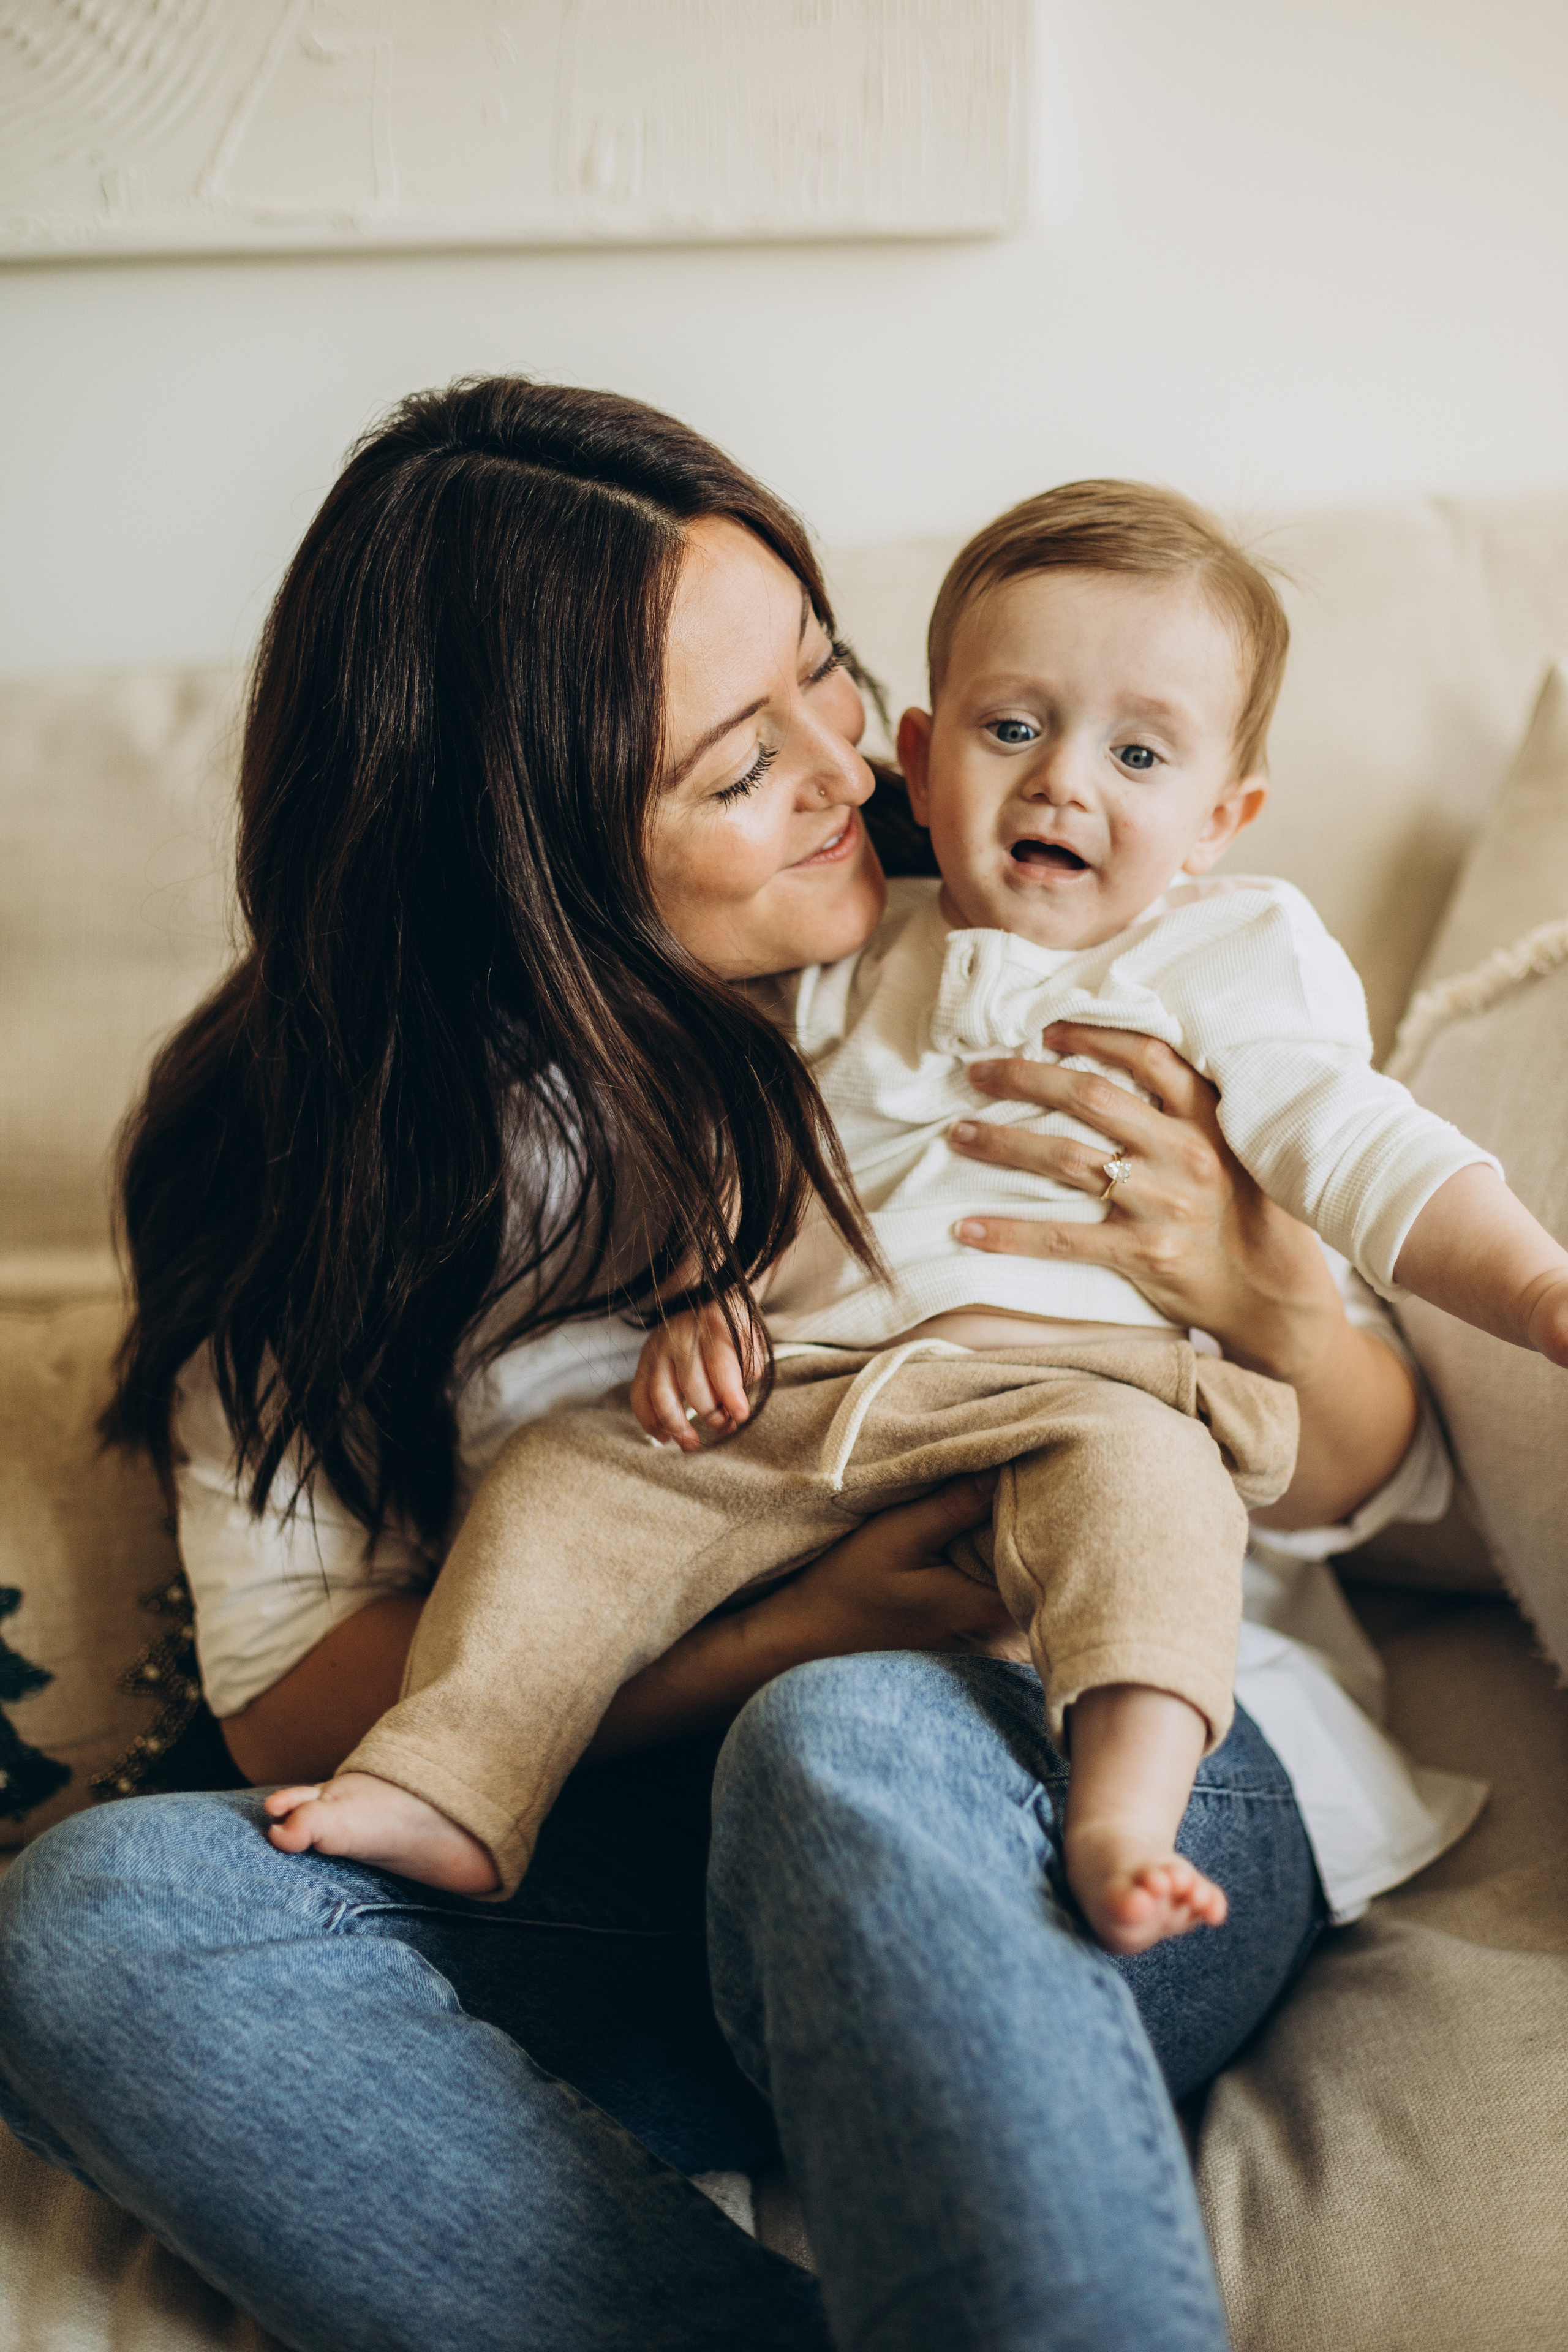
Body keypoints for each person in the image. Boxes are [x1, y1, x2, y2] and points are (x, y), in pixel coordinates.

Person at [0, 381, 1478, 2352]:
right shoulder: (309, 1144)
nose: (855, 764)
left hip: (1080, 1803)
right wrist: (774, 1637)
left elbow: (1378, 1469)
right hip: (616, 1862)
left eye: (827, 674)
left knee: (852, 1738)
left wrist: (1255, 1278)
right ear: (512, 840)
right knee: (103, 1926)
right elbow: (290, 1705)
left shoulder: (1029, 915)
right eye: (735, 766)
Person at [262, 480, 1551, 1955]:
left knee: (1153, 1494)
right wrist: (698, 1288)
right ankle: (453, 1782)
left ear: (1220, 818)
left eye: (1137, 753)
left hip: (1085, 1396)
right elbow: (731, 1143)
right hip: (821, 1414)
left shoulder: (1225, 961)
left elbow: (1367, 1151)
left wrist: (1526, 1291)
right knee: (567, 1481)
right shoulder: (843, 952)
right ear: (928, 762)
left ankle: (1123, 1810)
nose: (1065, 781)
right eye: (1014, 729)